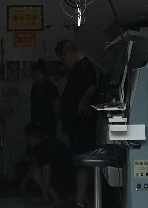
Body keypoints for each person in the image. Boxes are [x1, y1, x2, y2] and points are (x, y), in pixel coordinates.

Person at [55, 38, 99, 208]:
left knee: (82, 161)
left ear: (69, 54)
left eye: (63, 59)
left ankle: (80, 201)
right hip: (77, 123)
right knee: (79, 160)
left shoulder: (85, 66)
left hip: (82, 124)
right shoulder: (79, 68)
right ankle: (80, 197)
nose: (64, 63)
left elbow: (92, 86)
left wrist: (83, 100)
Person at [20, 121, 74, 204]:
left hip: (66, 176)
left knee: (37, 174)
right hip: (70, 173)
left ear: (32, 137)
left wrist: (45, 192)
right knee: (37, 172)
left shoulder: (43, 148)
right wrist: (24, 181)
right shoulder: (48, 143)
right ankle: (59, 197)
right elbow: (35, 165)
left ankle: (57, 199)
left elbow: (46, 171)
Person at [30, 59, 60, 137]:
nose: (36, 77)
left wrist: (55, 122)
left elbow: (56, 106)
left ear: (44, 74)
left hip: (48, 123)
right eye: (34, 75)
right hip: (36, 122)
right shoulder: (34, 88)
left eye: (38, 75)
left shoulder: (51, 87)